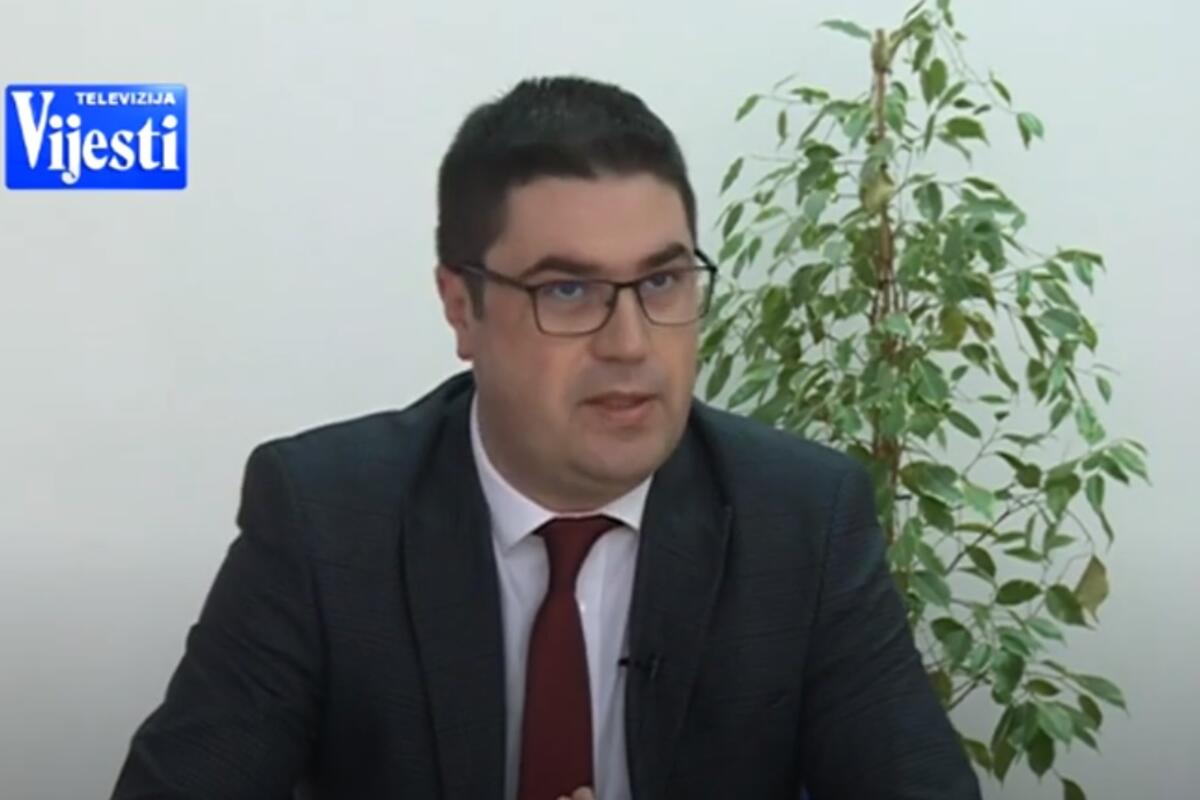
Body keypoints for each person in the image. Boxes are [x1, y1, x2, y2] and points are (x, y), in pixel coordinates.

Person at [111, 75, 980, 800]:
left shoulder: (803, 518)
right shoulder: (325, 520)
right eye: (568, 291)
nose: (631, 343)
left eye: (663, 282)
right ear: (462, 308)